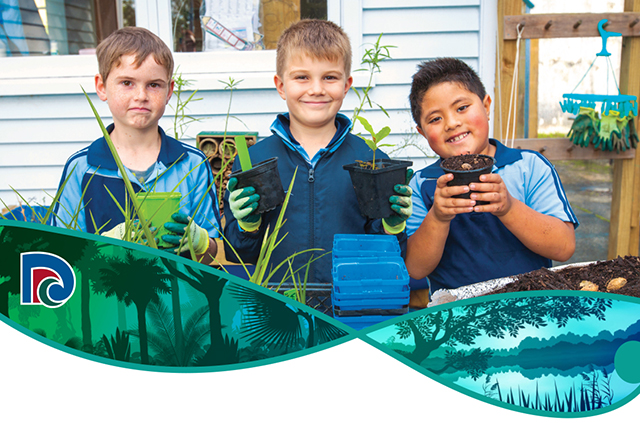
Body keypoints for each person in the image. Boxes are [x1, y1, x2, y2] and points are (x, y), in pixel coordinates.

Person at [223, 19, 413, 285]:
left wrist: (392, 226)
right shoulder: (255, 161)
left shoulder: (371, 160)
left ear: (346, 85)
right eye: (302, 77)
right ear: (281, 86)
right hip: (279, 308)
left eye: (330, 77)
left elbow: (387, 255)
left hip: (348, 310)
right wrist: (248, 226)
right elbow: (240, 253)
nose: (316, 89)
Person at [406, 57, 578, 306]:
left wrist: (509, 207)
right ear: (422, 132)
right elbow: (415, 268)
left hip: (532, 307)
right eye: (435, 119)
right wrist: (438, 217)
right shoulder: (423, 184)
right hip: (458, 317)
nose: (452, 123)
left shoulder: (528, 167)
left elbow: (563, 247)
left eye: (462, 107)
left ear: (486, 105)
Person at [52, 27, 220, 262]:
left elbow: (215, 256)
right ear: (101, 87)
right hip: (104, 296)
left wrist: (200, 242)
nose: (141, 95)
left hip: (177, 296)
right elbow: (60, 255)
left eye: (154, 85)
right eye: (127, 82)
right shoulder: (82, 167)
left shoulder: (192, 163)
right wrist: (105, 245)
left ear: (170, 90)